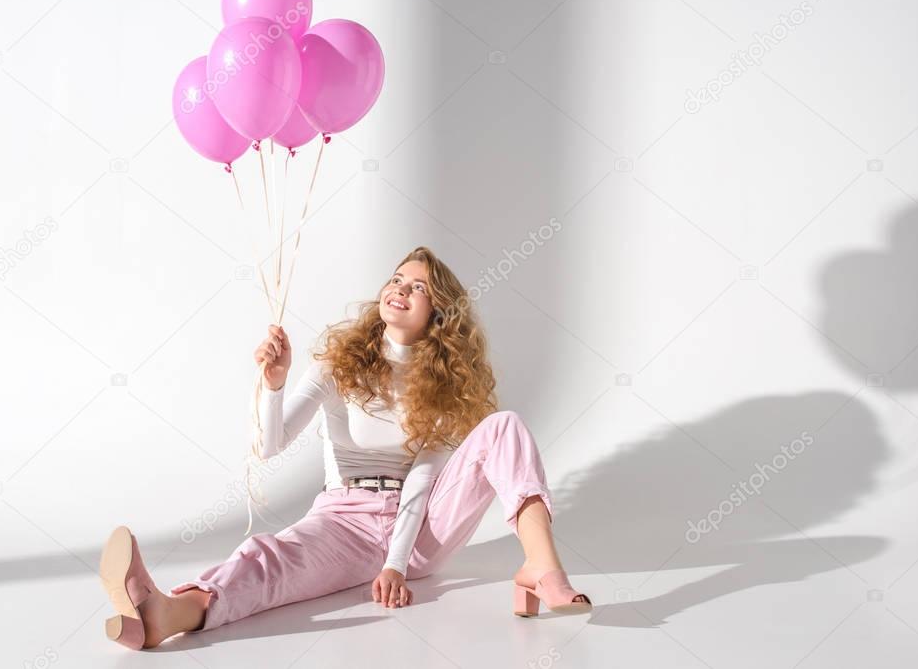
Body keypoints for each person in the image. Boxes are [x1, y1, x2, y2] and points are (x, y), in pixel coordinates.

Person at [98, 246, 591, 650]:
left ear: (437, 315)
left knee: (503, 425)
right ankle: (165, 614)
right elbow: (270, 446)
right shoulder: (338, 367)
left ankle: (542, 567)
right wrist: (273, 383)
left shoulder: (444, 387)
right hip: (344, 519)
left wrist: (397, 563)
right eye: (397, 278)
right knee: (265, 559)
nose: (401, 288)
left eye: (419, 287)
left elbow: (421, 479)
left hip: (422, 526)